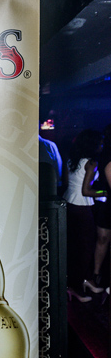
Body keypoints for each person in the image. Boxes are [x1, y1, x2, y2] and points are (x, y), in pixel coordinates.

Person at [63, 129, 105, 302]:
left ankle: (83, 281)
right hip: (81, 207)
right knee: (85, 249)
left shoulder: (71, 159)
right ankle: (76, 286)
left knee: (75, 247)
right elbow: (86, 191)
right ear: (92, 144)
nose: (102, 146)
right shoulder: (91, 162)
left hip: (68, 204)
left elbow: (67, 183)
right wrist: (104, 192)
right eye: (100, 143)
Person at [86, 124, 111, 293]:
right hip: (106, 205)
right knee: (102, 240)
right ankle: (96, 276)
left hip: (105, 204)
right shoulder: (104, 157)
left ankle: (98, 276)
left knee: (102, 240)